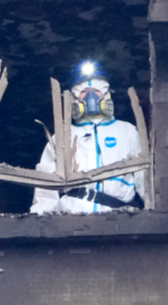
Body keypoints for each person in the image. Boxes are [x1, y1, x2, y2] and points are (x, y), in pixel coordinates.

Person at [30, 61, 142, 213]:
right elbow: (46, 183)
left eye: (96, 90)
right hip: (71, 216)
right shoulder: (63, 136)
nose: (91, 97)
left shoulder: (127, 131)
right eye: (84, 91)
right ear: (74, 98)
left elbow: (143, 176)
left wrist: (154, 208)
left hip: (118, 216)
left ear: (107, 94)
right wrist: (42, 217)